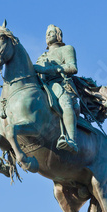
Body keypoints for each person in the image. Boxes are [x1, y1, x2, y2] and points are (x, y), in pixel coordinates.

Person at [34, 24, 80, 153]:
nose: (47, 35)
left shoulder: (67, 49)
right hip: (44, 86)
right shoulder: (42, 56)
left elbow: (72, 67)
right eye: (46, 34)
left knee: (65, 102)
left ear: (58, 36)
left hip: (61, 85)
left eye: (51, 33)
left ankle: (71, 140)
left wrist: (47, 69)